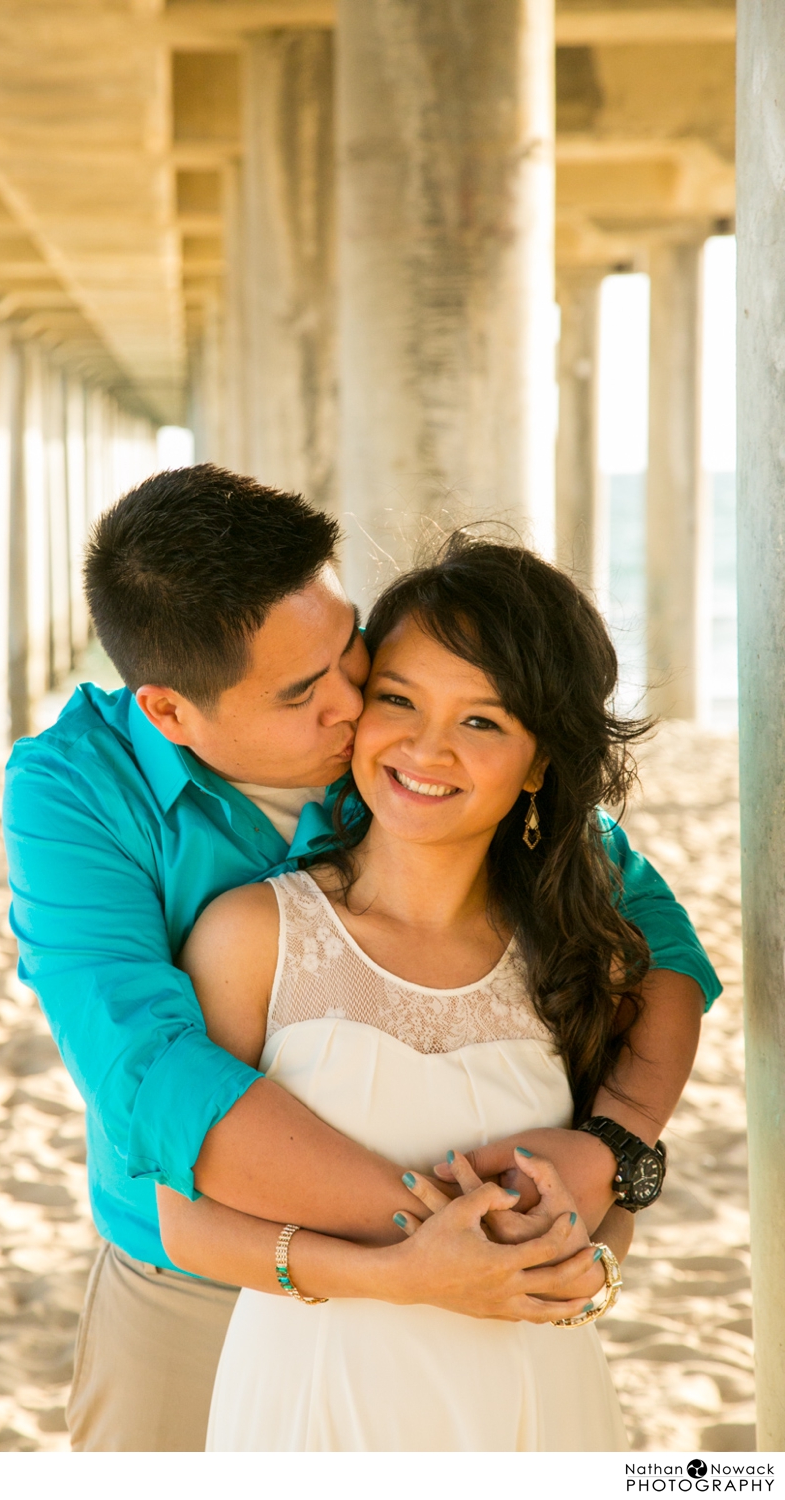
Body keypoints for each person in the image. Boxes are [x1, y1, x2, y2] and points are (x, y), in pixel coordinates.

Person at [2, 466, 718, 1451]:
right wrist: (451, 1240)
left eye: (350, 651)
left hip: (480, 1301)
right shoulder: (77, 794)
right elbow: (151, 1076)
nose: (351, 703)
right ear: (171, 713)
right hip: (197, 1269)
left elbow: (657, 951)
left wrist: (615, 1147)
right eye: (304, 692)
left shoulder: (402, 747)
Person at [158, 533, 668, 1450]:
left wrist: (591, 1268)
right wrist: (403, 1276)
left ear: (540, 762)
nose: (428, 747)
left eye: (483, 721)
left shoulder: (585, 954)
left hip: (536, 1405)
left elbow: (608, 1202)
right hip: (314, 1408)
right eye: (399, 699)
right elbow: (187, 1226)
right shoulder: (250, 936)